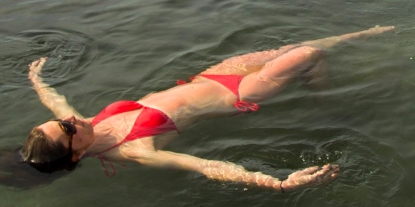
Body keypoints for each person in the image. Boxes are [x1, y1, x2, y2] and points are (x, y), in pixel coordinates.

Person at [21, 27, 394, 188]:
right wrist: (277, 183)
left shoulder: (85, 125)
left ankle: (366, 34)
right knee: (310, 54)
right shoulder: (135, 150)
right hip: (240, 94)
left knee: (294, 47)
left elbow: (59, 103)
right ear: (75, 155)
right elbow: (207, 167)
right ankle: (330, 105)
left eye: (61, 122)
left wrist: (37, 81)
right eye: (66, 129)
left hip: (211, 76)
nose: (69, 120)